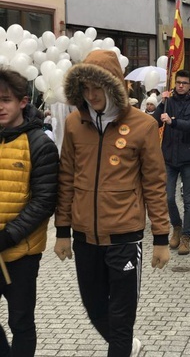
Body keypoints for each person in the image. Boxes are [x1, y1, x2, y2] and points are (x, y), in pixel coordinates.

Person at [54, 50, 170, 357]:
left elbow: (155, 184)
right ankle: (127, 346)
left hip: (125, 237)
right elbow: (66, 178)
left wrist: (161, 237)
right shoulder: (74, 124)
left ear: (115, 86)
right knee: (93, 307)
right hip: (84, 237)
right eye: (86, 88)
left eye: (98, 87)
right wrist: (62, 231)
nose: (91, 95)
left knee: (121, 319)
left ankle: (122, 345)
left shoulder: (143, 125)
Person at [0, 68, 58, 357]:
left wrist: (7, 236)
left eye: (5, 100)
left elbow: (44, 201)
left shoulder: (39, 143)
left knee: (20, 321)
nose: (0, 106)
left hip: (21, 252)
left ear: (22, 102)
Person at [153, 69, 190, 256]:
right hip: (168, 157)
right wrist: (161, 103)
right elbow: (154, 122)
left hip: (188, 158)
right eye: (178, 82)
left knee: (188, 201)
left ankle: (186, 237)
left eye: (184, 83)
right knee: (167, 197)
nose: (181, 85)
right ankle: (176, 226)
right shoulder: (168, 102)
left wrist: (173, 121)